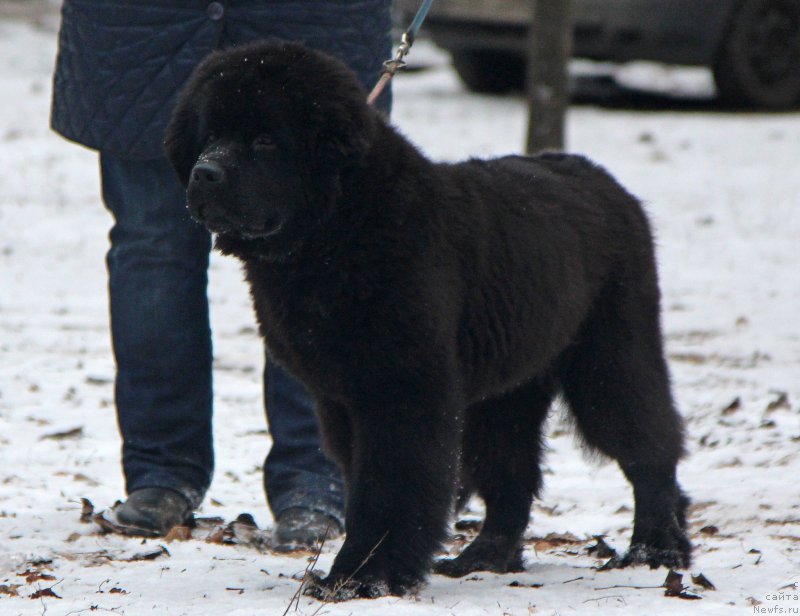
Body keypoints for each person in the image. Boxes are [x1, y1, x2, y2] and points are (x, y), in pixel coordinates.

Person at [50, 0, 392, 548]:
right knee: (154, 245)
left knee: (322, 252)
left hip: (316, 25)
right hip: (143, 30)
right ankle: (161, 471)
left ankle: (318, 472)